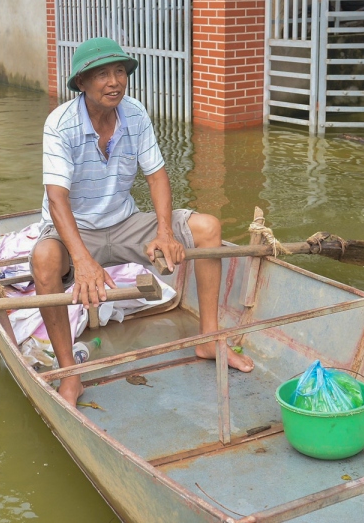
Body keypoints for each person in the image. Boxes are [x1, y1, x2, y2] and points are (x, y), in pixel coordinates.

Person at [33, 37, 254, 405]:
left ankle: (207, 340)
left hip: (123, 222)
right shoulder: (60, 124)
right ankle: (69, 373)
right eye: (102, 74)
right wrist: (84, 261)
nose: (114, 81)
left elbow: (156, 176)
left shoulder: (134, 113)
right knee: (44, 260)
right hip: (74, 227)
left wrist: (165, 233)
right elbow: (57, 199)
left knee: (208, 228)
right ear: (82, 83)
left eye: (119, 71)